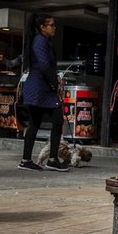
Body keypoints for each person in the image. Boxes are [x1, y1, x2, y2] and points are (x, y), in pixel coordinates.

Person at [18, 14, 69, 172]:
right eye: (51, 25)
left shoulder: (41, 40)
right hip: (41, 88)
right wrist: (55, 82)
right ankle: (52, 160)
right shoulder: (40, 40)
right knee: (57, 120)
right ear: (42, 27)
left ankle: (26, 160)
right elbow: (45, 65)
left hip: (39, 87)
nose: (54, 28)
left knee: (35, 123)